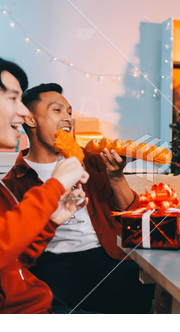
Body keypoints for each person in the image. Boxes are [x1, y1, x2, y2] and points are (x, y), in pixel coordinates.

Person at [2, 83, 154, 313]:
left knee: (139, 291)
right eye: (57, 110)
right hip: (53, 262)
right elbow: (17, 249)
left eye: (69, 112)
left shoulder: (93, 162)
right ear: (31, 120)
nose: (67, 118)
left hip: (106, 254)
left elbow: (129, 212)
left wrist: (115, 175)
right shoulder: (12, 183)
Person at [0, 58, 89, 313]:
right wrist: (54, 186)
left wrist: (52, 221)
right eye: (13, 99)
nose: (23, 111)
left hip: (43, 304)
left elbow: (14, 261)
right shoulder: (12, 183)